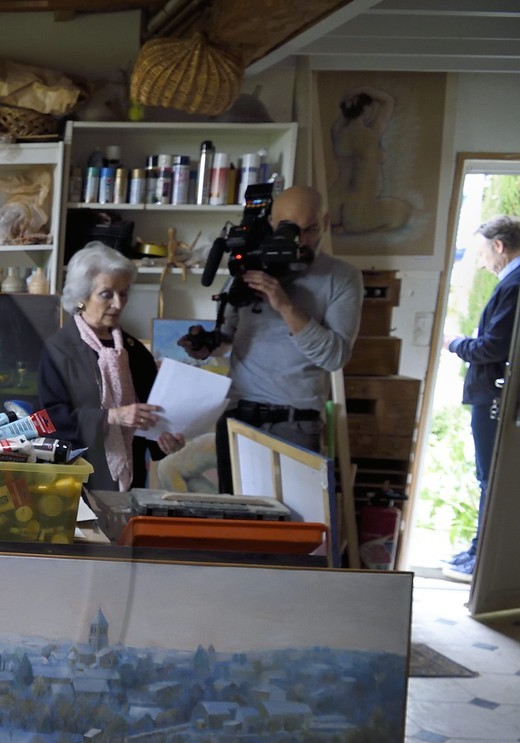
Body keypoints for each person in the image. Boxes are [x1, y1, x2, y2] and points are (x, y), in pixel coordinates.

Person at [191, 186, 364, 491]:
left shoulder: (342, 277)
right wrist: (206, 344)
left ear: (323, 222)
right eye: (288, 229)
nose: (299, 240)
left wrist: (284, 305)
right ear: (271, 223)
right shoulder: (249, 266)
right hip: (238, 416)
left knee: (286, 526)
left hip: (294, 423)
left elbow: (335, 356)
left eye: (309, 230)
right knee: (232, 521)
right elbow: (229, 335)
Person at [38, 242, 184, 493]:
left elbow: (152, 416)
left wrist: (165, 441)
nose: (118, 303)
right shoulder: (60, 350)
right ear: (82, 297)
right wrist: (112, 416)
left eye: (124, 293)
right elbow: (50, 421)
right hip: (74, 478)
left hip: (129, 481)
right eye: (107, 294)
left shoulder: (135, 351)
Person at [442, 215, 520, 582]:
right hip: (492, 393)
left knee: (491, 478)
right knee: (487, 476)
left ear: (499, 247)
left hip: (495, 395)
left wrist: (455, 343)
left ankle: (482, 560)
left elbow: (493, 346)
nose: (483, 261)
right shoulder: (510, 282)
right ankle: (477, 551)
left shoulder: (514, 284)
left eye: (483, 252)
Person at [329, 88, 411, 236]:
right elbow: (388, 101)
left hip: (334, 205)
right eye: (371, 108)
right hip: (358, 208)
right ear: (366, 109)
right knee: (403, 211)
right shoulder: (372, 133)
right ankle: (349, 227)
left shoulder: (338, 132)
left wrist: (349, 102)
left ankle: (341, 225)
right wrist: (360, 90)